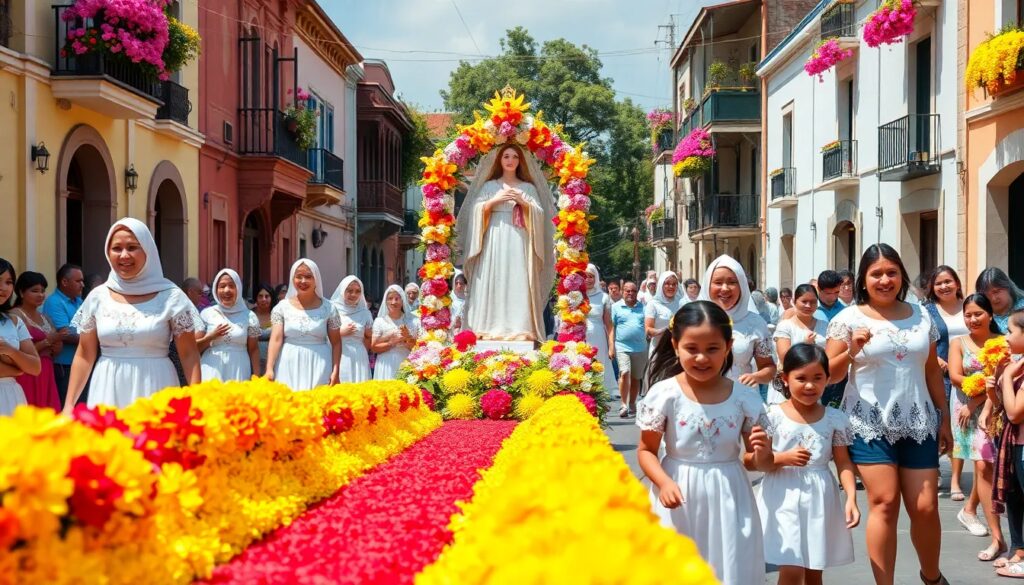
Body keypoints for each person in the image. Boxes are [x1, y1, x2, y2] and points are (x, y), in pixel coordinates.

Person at [824, 244, 951, 585]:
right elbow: (829, 374)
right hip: (868, 424)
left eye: (891, 272)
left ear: (901, 276)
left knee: (925, 507)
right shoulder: (847, 319)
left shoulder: (922, 315)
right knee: (884, 501)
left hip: (919, 421)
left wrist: (945, 418)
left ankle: (932, 576)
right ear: (864, 279)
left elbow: (930, 371)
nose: (884, 279)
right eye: (876, 273)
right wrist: (853, 350)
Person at [637, 301, 772, 585]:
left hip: (729, 494)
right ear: (675, 346)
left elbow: (755, 462)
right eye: (692, 349)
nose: (702, 358)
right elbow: (646, 450)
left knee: (727, 568)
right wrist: (663, 482)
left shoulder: (745, 398)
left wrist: (762, 453)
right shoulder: (664, 394)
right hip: (678, 496)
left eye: (712, 348)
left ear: (728, 346)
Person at [63, 218, 201, 412]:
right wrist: (69, 405)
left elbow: (188, 354)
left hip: (156, 386)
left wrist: (196, 401)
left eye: (132, 247)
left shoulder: (172, 296)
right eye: (117, 248)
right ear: (107, 252)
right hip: (107, 387)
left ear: (148, 250)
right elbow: (85, 354)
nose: (124, 255)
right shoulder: (97, 297)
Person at [757, 344, 858, 582]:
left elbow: (843, 462)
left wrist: (851, 497)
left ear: (827, 379)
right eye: (801, 378)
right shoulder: (772, 416)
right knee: (790, 568)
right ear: (785, 378)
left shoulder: (834, 418)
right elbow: (752, 461)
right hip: (781, 494)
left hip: (819, 496)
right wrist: (781, 458)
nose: (810, 385)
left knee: (814, 569)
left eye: (817, 378)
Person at [456, 142, 555, 341]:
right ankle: (488, 325)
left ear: (521, 161)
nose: (510, 161)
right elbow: (475, 211)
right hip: (494, 238)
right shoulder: (489, 186)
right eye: (506, 156)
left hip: (519, 240)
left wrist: (524, 203)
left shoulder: (528, 187)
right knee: (493, 276)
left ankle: (519, 327)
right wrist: (494, 201)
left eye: (515, 157)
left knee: (517, 277)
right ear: (499, 160)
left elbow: (540, 215)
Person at [946, 293, 1004, 559]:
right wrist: (973, 398)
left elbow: (1003, 377)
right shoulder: (958, 342)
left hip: (996, 408)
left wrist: (980, 398)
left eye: (978, 314)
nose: (972, 319)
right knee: (983, 465)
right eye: (967, 315)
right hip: (965, 410)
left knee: (986, 466)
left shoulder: (1002, 342)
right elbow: (957, 376)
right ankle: (993, 531)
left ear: (990, 314)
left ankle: (970, 509)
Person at [920, 266, 969, 501]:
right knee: (938, 421)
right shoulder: (926, 311)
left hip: (967, 374)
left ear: (957, 283)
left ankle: (956, 480)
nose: (944, 286)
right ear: (932, 288)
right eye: (939, 283)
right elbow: (921, 340)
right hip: (938, 374)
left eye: (948, 281)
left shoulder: (968, 306)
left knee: (959, 426)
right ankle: (935, 469)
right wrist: (936, 359)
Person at [698, 255, 776, 389]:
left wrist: (755, 377)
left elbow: (768, 367)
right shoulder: (693, 319)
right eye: (718, 282)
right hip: (701, 400)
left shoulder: (755, 324)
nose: (725, 288)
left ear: (742, 286)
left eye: (732, 282)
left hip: (742, 399)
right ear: (707, 285)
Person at [266, 260, 341, 391]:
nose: (303, 281)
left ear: (316, 279)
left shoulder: (329, 308)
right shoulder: (282, 308)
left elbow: (336, 343)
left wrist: (336, 370)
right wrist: (269, 369)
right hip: (288, 363)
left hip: (320, 363)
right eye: (298, 276)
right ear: (292, 279)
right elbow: (276, 339)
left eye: (308, 276)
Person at [992, 309, 1024, 578]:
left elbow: (1014, 412)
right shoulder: (1018, 362)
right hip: (1016, 442)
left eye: (1011, 331)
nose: (1006, 337)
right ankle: (1019, 549)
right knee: (1016, 496)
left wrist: (1007, 380)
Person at [196, 269, 261, 382]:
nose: (227, 290)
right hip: (211, 369)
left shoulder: (249, 316)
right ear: (216, 290)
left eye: (231, 286)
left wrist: (257, 378)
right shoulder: (206, 314)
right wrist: (211, 337)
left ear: (238, 288)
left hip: (239, 369)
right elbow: (194, 348)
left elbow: (254, 350)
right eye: (222, 286)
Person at [11, 272, 62, 410]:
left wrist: (56, 346)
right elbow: (16, 352)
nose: (40, 295)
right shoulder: (16, 315)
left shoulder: (46, 318)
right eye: (34, 291)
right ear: (21, 292)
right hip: (27, 373)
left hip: (46, 371)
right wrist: (46, 342)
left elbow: (54, 349)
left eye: (43, 291)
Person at [771, 284, 828, 404]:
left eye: (813, 302)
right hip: (789, 386)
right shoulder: (786, 326)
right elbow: (784, 357)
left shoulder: (825, 326)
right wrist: (804, 345)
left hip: (814, 385)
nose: (808, 305)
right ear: (794, 301)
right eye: (804, 301)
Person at [0, 259, 40, 415]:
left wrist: (11, 352)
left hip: (10, 396)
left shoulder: (14, 320)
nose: (3, 288)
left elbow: (35, 367)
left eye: (9, 282)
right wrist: (17, 369)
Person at [42, 263, 83, 406]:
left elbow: (94, 324)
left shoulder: (79, 301)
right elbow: (65, 334)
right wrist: (94, 337)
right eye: (78, 281)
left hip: (81, 364)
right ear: (64, 282)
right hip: (64, 366)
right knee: (68, 408)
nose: (82, 285)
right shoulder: (54, 302)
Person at [611, 281, 646, 417]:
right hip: (622, 346)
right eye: (627, 291)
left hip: (640, 347)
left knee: (636, 378)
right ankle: (623, 404)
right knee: (624, 372)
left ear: (637, 292)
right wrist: (611, 346)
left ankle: (632, 403)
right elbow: (611, 329)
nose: (630, 293)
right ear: (622, 292)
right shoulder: (615, 307)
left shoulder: (643, 307)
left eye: (633, 291)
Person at [330, 276, 373, 383]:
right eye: (349, 291)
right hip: (339, 355)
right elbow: (321, 335)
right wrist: (340, 333)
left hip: (359, 356)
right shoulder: (332, 309)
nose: (353, 294)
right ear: (342, 291)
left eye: (358, 291)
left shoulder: (364, 312)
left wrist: (369, 334)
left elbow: (369, 337)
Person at [371, 285, 418, 380]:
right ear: (385, 301)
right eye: (390, 299)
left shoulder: (413, 321)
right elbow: (374, 348)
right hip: (385, 364)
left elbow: (417, 348)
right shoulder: (380, 321)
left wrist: (407, 337)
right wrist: (392, 342)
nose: (393, 302)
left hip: (405, 363)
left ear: (402, 300)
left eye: (397, 298)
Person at [584, 264, 617, 397]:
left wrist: (611, 347)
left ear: (596, 278)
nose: (588, 279)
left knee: (598, 369)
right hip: (580, 338)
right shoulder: (576, 295)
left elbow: (609, 325)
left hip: (598, 340)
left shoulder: (603, 297)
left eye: (591, 276)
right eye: (585, 276)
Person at [976, 266, 1024, 334]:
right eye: (986, 295)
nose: (993, 298)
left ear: (1007, 287)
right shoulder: (982, 317)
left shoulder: (1022, 308)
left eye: (996, 291)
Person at [644, 271, 681, 356]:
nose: (671, 286)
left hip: (677, 350)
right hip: (658, 350)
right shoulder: (653, 304)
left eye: (674, 284)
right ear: (661, 285)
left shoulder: (681, 302)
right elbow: (648, 330)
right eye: (667, 283)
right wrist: (663, 331)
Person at [252, 283, 276, 371]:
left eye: (267, 296)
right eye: (260, 296)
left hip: (272, 360)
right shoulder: (249, 315)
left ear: (272, 298)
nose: (263, 299)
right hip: (252, 360)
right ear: (256, 298)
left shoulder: (277, 316)